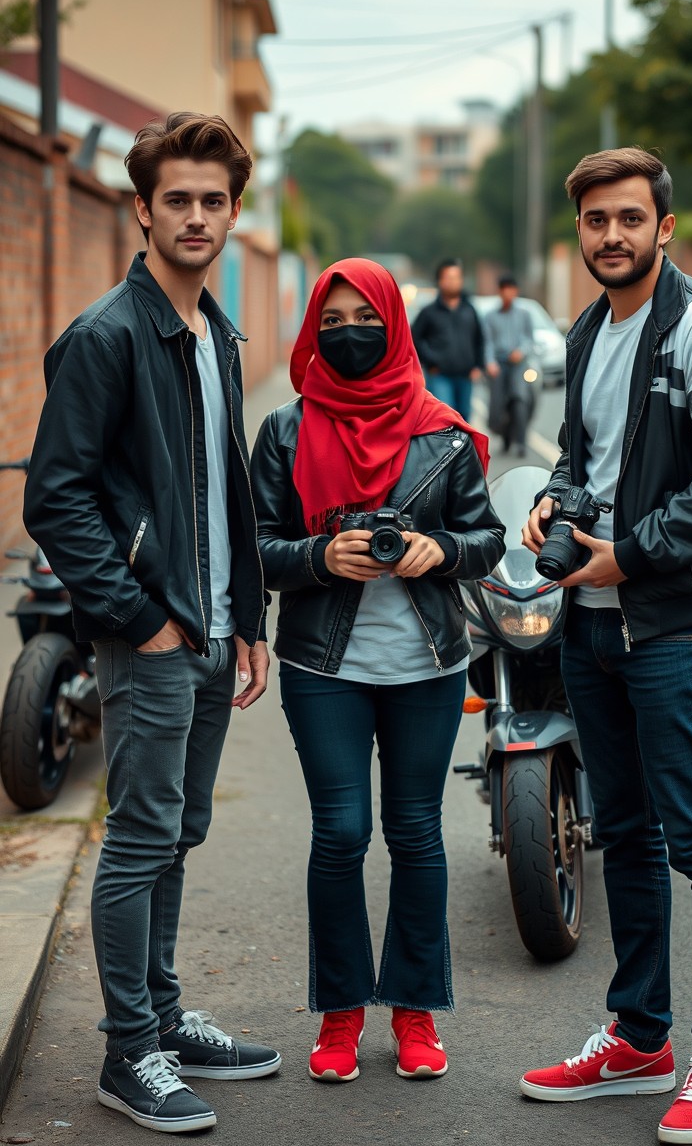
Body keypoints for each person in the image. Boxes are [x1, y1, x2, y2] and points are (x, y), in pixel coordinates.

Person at [24, 112, 281, 1134]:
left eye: (213, 200)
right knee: (138, 838)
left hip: (213, 628)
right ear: (140, 208)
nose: (196, 215)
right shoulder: (107, 336)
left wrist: (247, 616)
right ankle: (128, 1050)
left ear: (231, 212)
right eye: (176, 197)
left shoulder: (212, 329)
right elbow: (58, 498)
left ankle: (165, 1016)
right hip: (156, 632)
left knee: (180, 827)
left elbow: (224, 492)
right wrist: (141, 619)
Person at [520, 148, 692, 1144]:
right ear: (579, 232)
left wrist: (633, 553)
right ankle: (637, 1037)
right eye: (595, 221)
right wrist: (557, 494)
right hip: (588, 624)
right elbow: (590, 455)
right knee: (621, 832)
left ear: (664, 226)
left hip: (666, 620)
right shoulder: (588, 332)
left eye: (630, 218)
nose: (612, 235)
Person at [251, 257, 505, 1085]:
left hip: (427, 663)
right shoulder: (285, 431)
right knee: (342, 834)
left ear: (394, 322)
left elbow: (489, 538)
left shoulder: (443, 432)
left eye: (364, 317)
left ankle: (415, 1010)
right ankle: (340, 1013)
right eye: (331, 321)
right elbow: (255, 551)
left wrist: (441, 551)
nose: (347, 332)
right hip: (323, 666)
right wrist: (323, 556)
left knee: (416, 833)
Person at [411, 257, 490, 420]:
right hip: (440, 375)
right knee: (444, 416)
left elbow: (479, 338)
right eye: (448, 278)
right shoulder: (429, 312)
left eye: (456, 278)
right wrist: (430, 360)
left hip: (466, 375)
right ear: (440, 281)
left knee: (464, 416)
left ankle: (462, 446)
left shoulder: (469, 310)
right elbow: (414, 339)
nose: (453, 282)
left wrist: (478, 365)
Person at [482, 273, 536, 455]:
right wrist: (490, 363)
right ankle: (503, 434)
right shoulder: (490, 316)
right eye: (504, 290)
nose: (508, 294)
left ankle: (521, 442)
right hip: (498, 364)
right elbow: (487, 342)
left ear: (516, 291)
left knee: (520, 398)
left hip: (519, 364)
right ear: (500, 292)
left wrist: (521, 351)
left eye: (511, 290)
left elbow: (530, 339)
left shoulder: (524, 314)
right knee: (497, 404)